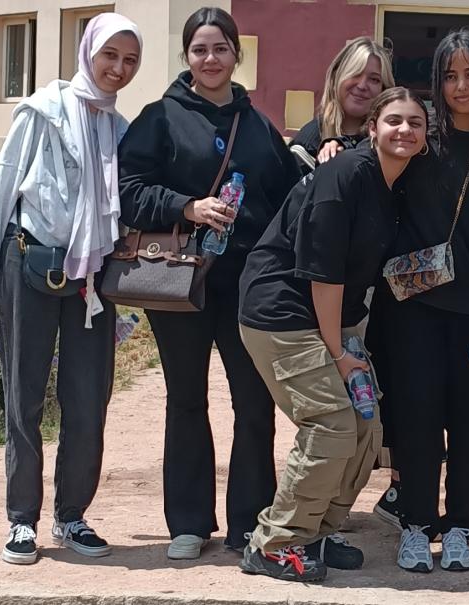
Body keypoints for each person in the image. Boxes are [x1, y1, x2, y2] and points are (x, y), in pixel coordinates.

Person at [117, 7, 299, 561]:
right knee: (186, 400)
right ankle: (189, 524)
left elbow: (289, 197)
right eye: (199, 49)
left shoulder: (260, 125)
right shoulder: (161, 118)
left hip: (246, 285)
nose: (210, 59)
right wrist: (186, 206)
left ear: (235, 55)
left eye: (220, 48)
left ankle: (249, 522)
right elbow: (127, 191)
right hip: (179, 282)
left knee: (254, 403)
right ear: (187, 57)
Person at [0, 13, 143, 565]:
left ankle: (71, 516)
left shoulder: (121, 129)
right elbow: (3, 187)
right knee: (24, 396)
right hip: (28, 265)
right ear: (87, 51)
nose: (118, 68)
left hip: (93, 279)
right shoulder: (41, 113)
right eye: (109, 55)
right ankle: (22, 520)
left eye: (130, 60)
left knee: (89, 399)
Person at [237, 87, 428, 582]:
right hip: (282, 312)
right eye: (394, 120)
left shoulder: (392, 184)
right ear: (372, 128)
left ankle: (313, 532)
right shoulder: (345, 176)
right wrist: (339, 351)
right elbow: (325, 276)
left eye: (415, 123)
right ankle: (274, 542)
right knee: (331, 425)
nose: (404, 130)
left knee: (366, 431)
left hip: (329, 318)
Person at [366, 31, 469, 573]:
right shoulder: (420, 135)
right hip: (411, 308)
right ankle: (415, 525)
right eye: (450, 75)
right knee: (416, 420)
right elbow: (369, 143)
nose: (460, 86)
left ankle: (458, 527)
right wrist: (323, 141)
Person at [289, 37, 394, 172]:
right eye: (355, 74)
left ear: (384, 89)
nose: (362, 86)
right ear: (335, 77)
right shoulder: (307, 146)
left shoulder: (391, 142)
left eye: (374, 79)